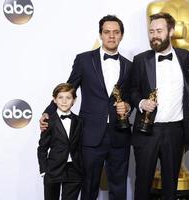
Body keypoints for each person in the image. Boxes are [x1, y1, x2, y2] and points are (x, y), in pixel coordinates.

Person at [39, 15, 132, 200]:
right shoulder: (83, 60)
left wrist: (128, 105)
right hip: (89, 134)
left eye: (116, 32)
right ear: (100, 35)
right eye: (107, 32)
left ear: (121, 35)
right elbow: (68, 88)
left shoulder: (129, 66)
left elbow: (130, 97)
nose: (111, 36)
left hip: (119, 134)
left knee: (119, 187)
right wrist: (47, 113)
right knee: (88, 186)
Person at [130, 12, 189, 200]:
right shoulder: (141, 60)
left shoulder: (186, 58)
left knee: (170, 186)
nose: (154, 36)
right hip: (146, 131)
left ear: (171, 31)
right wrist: (141, 102)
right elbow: (132, 90)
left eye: (159, 31)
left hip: (175, 131)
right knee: (142, 184)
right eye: (151, 32)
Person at [37, 83, 83, 200]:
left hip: (74, 169)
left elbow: (81, 146)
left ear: (74, 100)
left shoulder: (79, 121)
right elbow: (42, 148)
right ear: (54, 100)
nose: (64, 101)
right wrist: (44, 170)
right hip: (53, 169)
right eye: (60, 97)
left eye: (68, 98)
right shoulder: (48, 121)